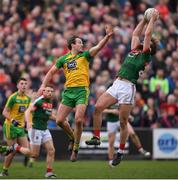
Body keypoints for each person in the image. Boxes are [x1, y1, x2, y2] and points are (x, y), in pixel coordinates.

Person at [85, 10, 159, 167]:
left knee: (123, 122)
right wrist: (144, 20)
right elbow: (135, 34)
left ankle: (120, 152)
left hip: (128, 87)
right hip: (117, 83)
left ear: (150, 48)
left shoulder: (146, 55)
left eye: (148, 43)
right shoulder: (134, 51)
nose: (144, 42)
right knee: (98, 107)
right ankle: (97, 137)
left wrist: (151, 20)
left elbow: (146, 36)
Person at [38, 25, 113, 162]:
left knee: (78, 119)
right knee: (60, 120)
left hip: (82, 91)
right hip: (68, 92)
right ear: (72, 45)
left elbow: (98, 47)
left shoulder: (85, 56)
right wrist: (43, 85)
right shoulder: (63, 59)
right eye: (79, 42)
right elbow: (51, 72)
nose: (82, 44)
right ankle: (72, 137)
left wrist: (107, 37)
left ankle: (76, 149)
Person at [0, 78, 31, 176]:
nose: (24, 85)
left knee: (27, 151)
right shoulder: (13, 97)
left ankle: (7, 148)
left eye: (25, 84)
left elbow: (26, 113)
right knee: (12, 152)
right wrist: (13, 120)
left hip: (20, 127)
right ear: (17, 86)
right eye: (22, 83)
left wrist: (28, 123)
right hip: (10, 126)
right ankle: (4, 171)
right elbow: (4, 112)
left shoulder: (27, 98)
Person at [25, 85, 57, 178]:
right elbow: (28, 111)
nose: (50, 93)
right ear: (43, 92)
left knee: (51, 150)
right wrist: (29, 122)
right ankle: (16, 147)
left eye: (51, 91)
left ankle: (49, 172)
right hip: (36, 129)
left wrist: (60, 119)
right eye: (48, 91)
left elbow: (49, 116)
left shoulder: (49, 102)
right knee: (34, 155)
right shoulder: (39, 101)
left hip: (44, 129)